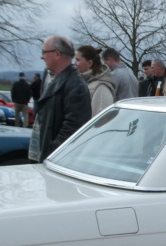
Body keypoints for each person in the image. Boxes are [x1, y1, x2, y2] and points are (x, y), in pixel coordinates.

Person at [29, 35, 91, 163]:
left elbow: (73, 128)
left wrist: (50, 153)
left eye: (44, 52)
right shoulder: (58, 80)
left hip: (57, 161)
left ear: (57, 54)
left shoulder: (75, 85)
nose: (42, 57)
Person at [74, 45, 116, 115]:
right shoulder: (84, 82)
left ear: (89, 63)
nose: (75, 63)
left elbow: (103, 120)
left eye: (78, 60)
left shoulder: (101, 87)